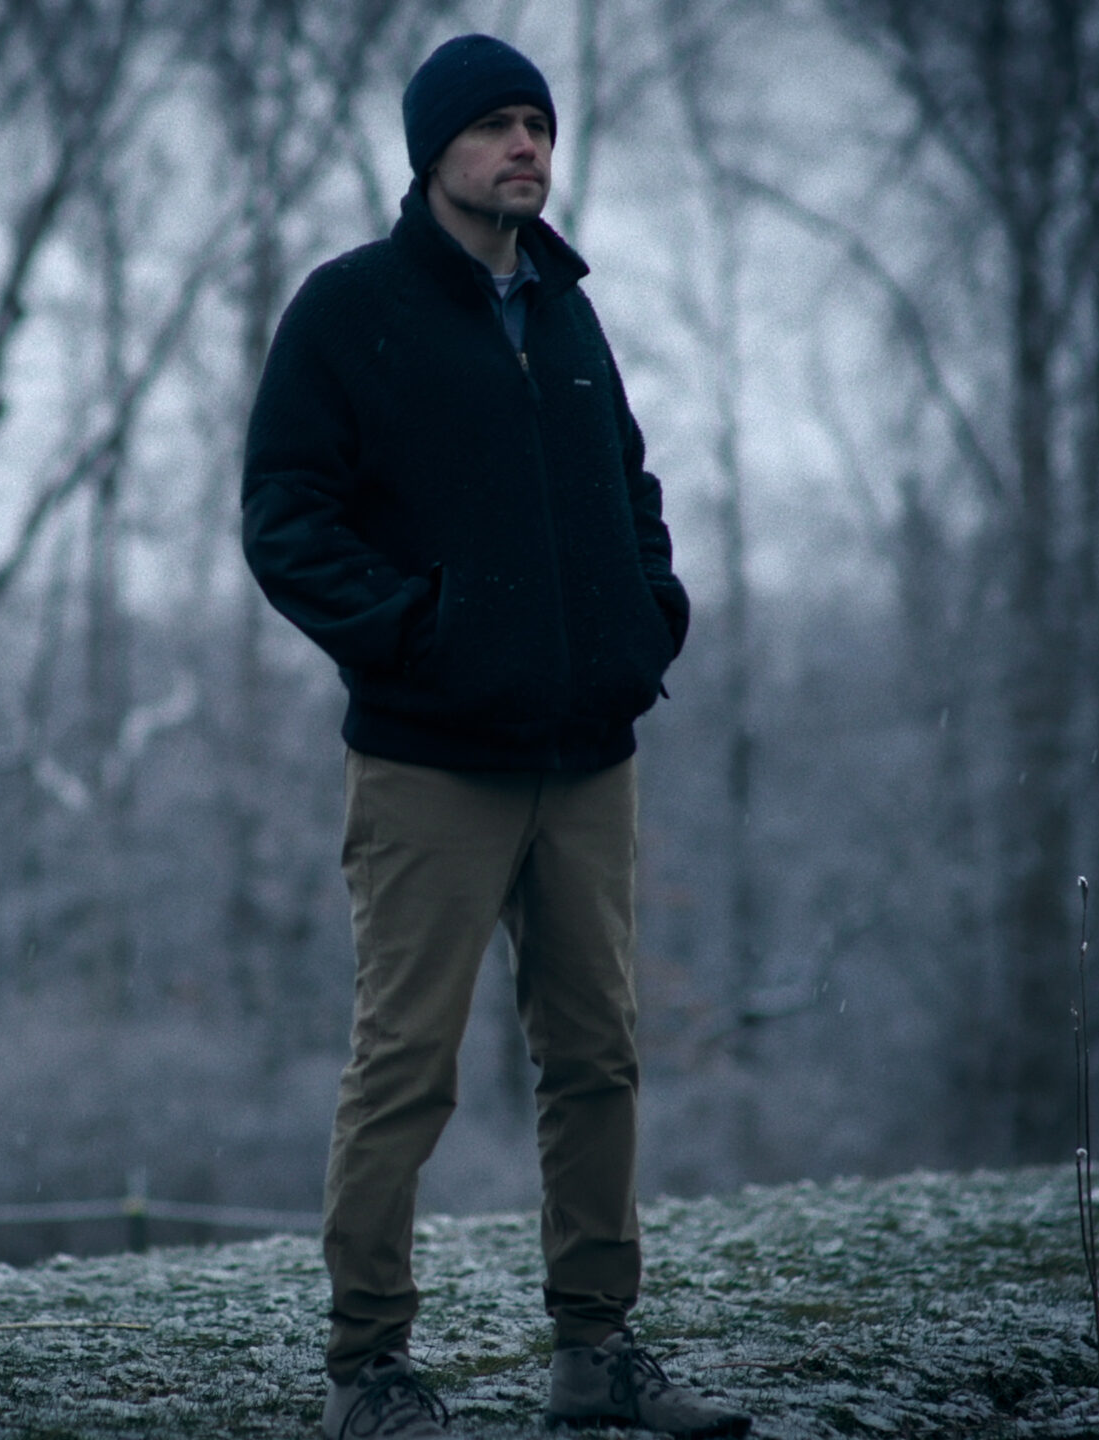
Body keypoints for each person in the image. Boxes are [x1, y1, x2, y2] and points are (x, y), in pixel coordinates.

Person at [242, 31, 751, 1440]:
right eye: (495, 125)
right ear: (432, 153)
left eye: (539, 123)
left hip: (588, 759)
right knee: (406, 1068)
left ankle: (596, 1352)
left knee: (598, 1057)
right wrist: (425, 636)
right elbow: (286, 518)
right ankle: (368, 1371)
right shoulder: (350, 308)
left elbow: (629, 487)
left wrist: (647, 618)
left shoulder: (568, 311)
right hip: (430, 763)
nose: (526, 145)